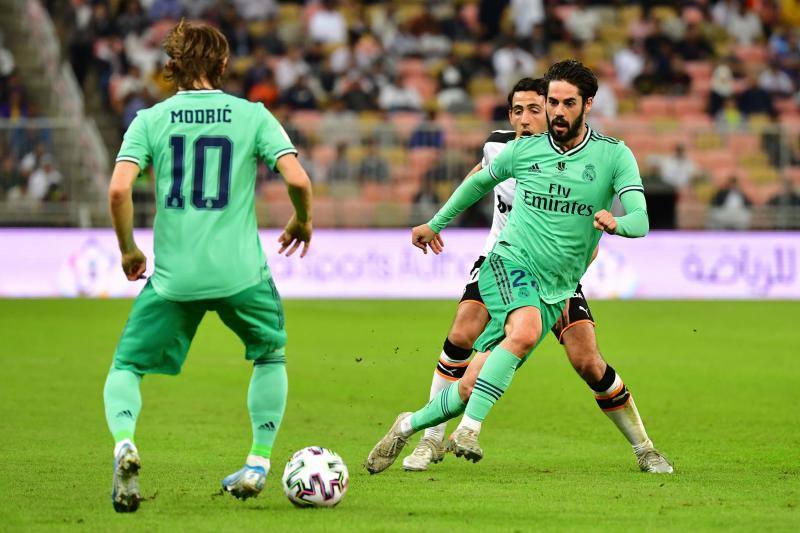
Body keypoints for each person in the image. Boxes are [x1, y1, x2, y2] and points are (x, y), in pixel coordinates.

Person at [367, 60, 672, 476]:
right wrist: (434, 223)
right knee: (513, 331)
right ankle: (466, 432)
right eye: (551, 102)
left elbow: (642, 219)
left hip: (560, 283)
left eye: (567, 103)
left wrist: (618, 224)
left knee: (544, 370)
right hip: (509, 263)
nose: (557, 111)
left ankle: (408, 424)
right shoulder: (522, 149)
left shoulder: (613, 155)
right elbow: (476, 182)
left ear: (588, 104)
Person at [103, 20, 313, 513]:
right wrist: (302, 221)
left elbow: (117, 190)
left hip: (175, 278)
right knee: (269, 354)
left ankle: (125, 444)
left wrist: (129, 250)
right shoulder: (253, 116)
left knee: (128, 365)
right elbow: (298, 180)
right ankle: (259, 461)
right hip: (242, 276)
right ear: (222, 65)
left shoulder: (149, 120)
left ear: (170, 67)